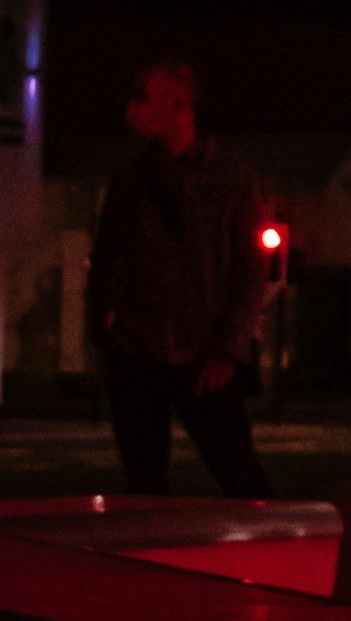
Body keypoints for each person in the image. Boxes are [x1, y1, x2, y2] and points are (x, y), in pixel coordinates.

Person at [84, 61, 272, 498]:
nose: (131, 109)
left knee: (240, 475)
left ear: (178, 105)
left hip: (204, 356)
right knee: (145, 483)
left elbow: (250, 269)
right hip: (136, 351)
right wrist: (104, 334)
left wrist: (227, 349)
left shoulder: (229, 174)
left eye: (143, 98)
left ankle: (276, 558)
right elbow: (108, 258)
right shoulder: (130, 180)